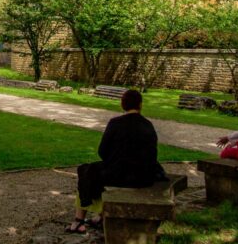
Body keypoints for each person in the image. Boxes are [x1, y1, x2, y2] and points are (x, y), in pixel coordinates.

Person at [66, 89, 165, 234]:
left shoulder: (115, 123)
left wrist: (115, 160)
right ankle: (99, 216)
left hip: (122, 175)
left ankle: (79, 221)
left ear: (122, 104)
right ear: (140, 105)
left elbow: (102, 152)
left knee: (87, 172)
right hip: (144, 176)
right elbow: (152, 154)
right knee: (97, 172)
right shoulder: (148, 125)